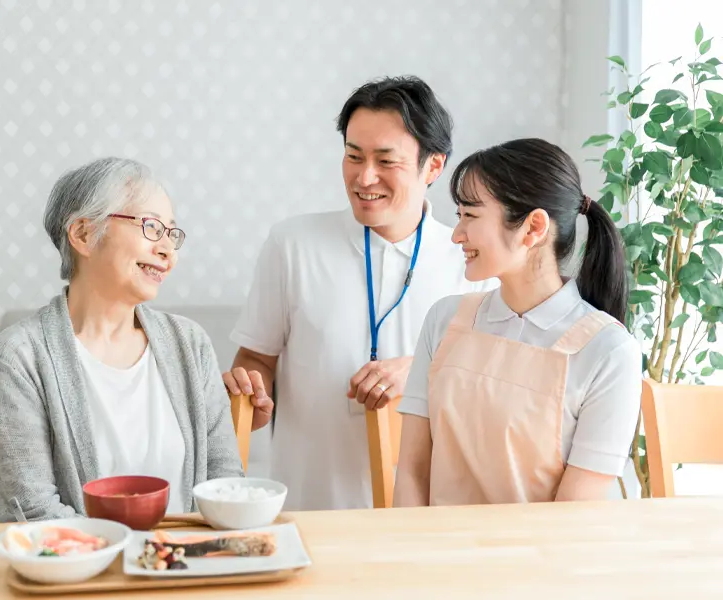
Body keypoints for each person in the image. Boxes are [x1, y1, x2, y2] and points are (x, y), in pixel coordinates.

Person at [223, 76, 496, 511]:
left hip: (431, 518)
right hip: (309, 508)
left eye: (386, 161)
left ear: (433, 166)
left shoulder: (473, 261)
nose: (364, 177)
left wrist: (423, 369)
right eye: (353, 156)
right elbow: (256, 360)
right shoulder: (292, 244)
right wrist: (251, 395)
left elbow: (493, 393)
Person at [0, 157, 243, 523]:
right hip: (77, 574)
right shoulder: (18, 358)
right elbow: (29, 511)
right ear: (83, 235)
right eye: (151, 227)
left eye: (172, 233)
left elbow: (225, 485)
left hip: (182, 568)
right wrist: (136, 560)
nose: (169, 251)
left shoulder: (190, 344)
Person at [393, 138, 642, 507]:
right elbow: (413, 472)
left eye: (470, 216)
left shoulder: (609, 351)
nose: (456, 234)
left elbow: (575, 512)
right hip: (438, 555)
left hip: (544, 560)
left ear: (533, 227)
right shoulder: (444, 320)